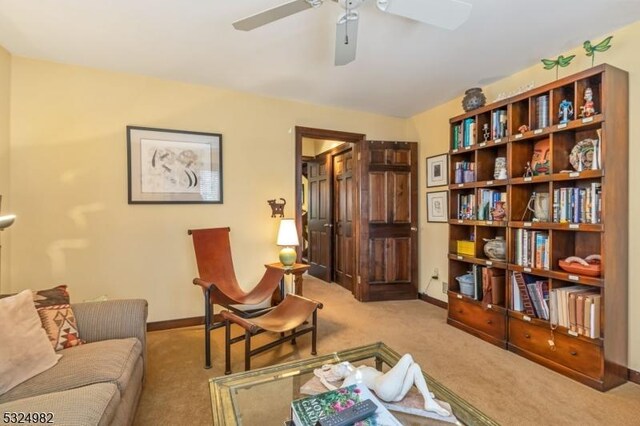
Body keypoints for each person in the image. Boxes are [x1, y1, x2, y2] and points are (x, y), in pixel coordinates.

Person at [313, 354, 450, 417]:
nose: (342, 364)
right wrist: (324, 380)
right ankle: (428, 400)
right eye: (339, 367)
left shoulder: (355, 369)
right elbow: (339, 391)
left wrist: (330, 366)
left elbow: (347, 364)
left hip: (394, 392)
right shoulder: (350, 379)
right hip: (383, 389)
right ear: (340, 375)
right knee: (407, 357)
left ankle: (426, 398)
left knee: (415, 367)